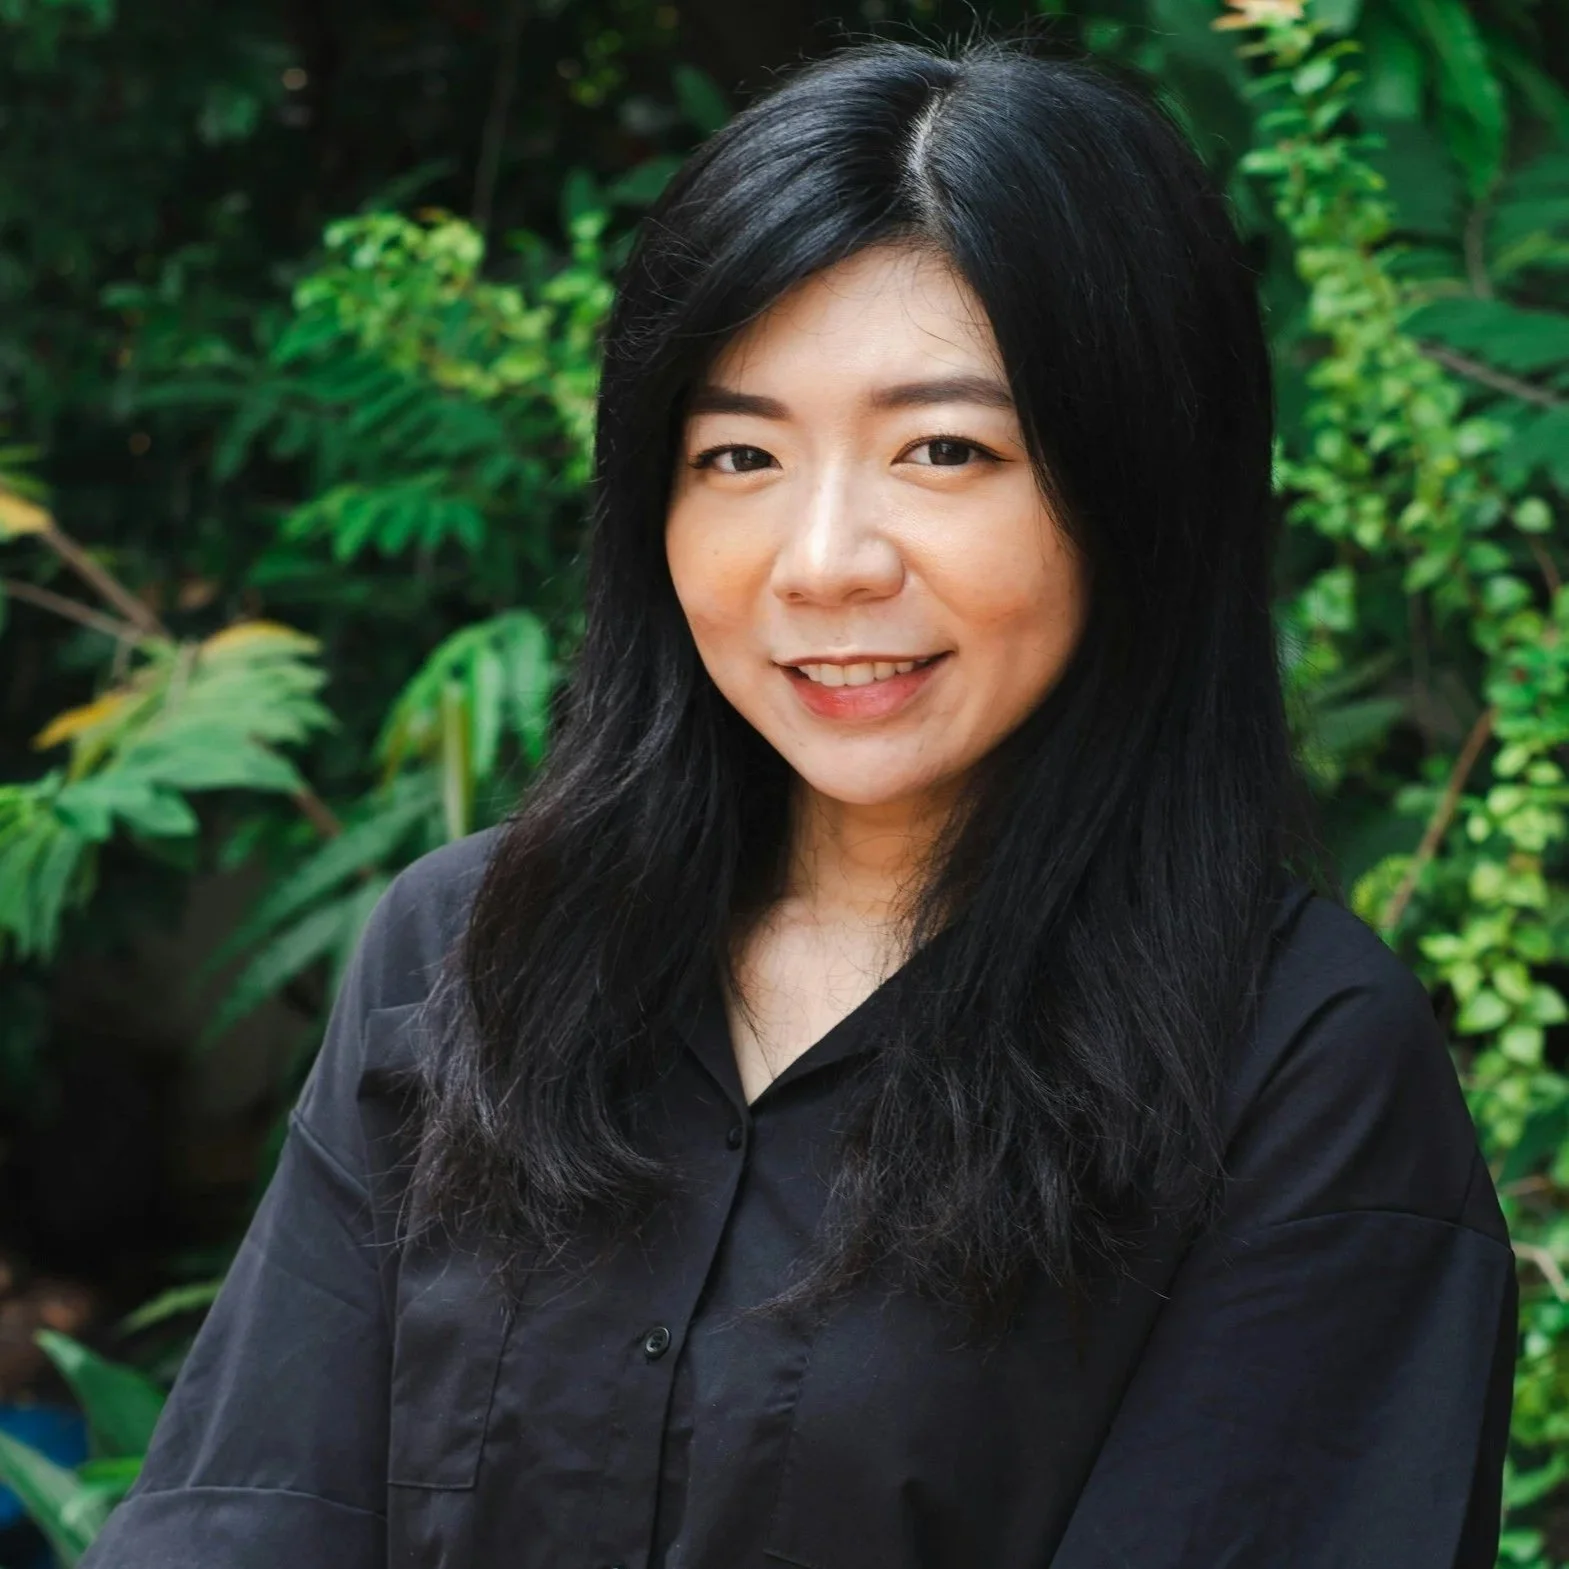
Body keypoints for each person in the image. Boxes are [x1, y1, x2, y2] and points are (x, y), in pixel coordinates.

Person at [82, 36, 1517, 1569]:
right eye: (741, 453)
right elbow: (242, 1521)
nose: (823, 558)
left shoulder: (1296, 1068)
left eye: (945, 449)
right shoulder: (469, 952)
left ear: (1142, 491)